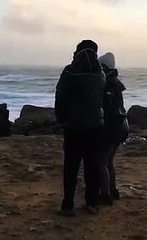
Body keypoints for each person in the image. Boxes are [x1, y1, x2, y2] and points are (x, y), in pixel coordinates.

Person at [55, 40, 106, 216]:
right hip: (96, 127)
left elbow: (61, 97)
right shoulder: (100, 73)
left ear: (77, 52)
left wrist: (61, 120)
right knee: (93, 166)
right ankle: (92, 202)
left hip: (74, 127)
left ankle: (68, 205)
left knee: (71, 167)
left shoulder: (70, 71)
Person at [98, 52, 129, 202]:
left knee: (102, 162)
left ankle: (105, 195)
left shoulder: (107, 84)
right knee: (109, 161)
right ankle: (112, 189)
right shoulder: (115, 83)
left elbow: (108, 109)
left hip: (111, 128)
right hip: (120, 127)